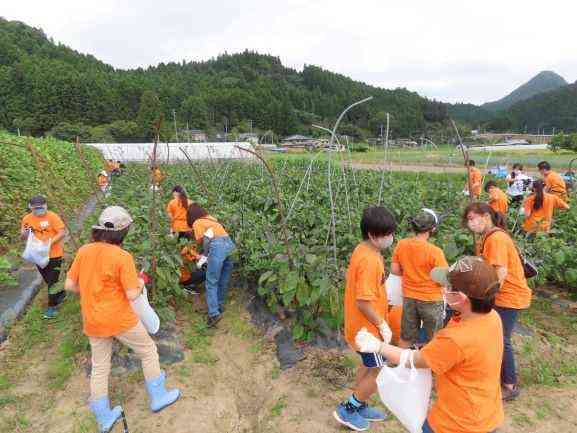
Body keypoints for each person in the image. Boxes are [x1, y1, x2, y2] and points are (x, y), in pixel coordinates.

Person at [355, 256, 504, 433]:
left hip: (455, 424)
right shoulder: (492, 317)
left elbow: (413, 360)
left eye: (448, 286)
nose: (443, 289)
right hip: (487, 415)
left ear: (462, 298)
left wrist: (378, 346)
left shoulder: (456, 338)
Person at [64, 206, 180, 433]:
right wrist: (141, 282)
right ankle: (158, 397)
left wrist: (91, 289)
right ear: (123, 232)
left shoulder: (84, 251)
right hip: (119, 318)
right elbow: (131, 294)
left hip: (93, 320)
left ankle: (104, 418)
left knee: (99, 366)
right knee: (147, 351)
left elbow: (69, 285)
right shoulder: (122, 256)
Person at [333, 206, 397, 432]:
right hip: (368, 331)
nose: (391, 238)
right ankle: (348, 409)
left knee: (368, 366)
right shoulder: (370, 260)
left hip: (359, 327)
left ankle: (359, 403)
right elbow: (363, 301)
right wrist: (381, 324)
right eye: (386, 234)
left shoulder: (363, 249)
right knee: (378, 370)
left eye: (391, 232)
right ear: (372, 234)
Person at [463, 202, 531, 401]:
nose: (470, 224)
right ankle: (494, 378)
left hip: (508, 296)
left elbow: (500, 272)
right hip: (504, 295)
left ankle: (510, 385)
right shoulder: (491, 236)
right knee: (494, 337)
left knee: (502, 339)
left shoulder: (497, 238)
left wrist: (486, 298)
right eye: (468, 220)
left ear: (485, 216)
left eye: (472, 218)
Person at [390, 209, 448, 348]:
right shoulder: (435, 252)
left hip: (409, 297)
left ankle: (399, 366)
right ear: (432, 229)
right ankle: (432, 369)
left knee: (406, 337)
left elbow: (394, 270)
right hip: (431, 300)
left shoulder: (402, 244)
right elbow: (444, 278)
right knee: (434, 339)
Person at [186, 204, 235, 327]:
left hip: (217, 246)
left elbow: (201, 241)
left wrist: (200, 256)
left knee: (211, 281)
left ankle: (213, 314)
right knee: (223, 279)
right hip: (229, 245)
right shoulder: (211, 218)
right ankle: (218, 307)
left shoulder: (197, 223)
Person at [20, 195, 67, 319]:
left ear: (46, 205)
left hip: (54, 254)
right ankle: (61, 293)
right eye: (36, 208)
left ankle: (52, 307)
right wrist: (25, 231)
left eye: (42, 207)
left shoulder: (52, 216)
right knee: (48, 280)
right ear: (30, 207)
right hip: (38, 255)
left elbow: (62, 232)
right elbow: (23, 237)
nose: (39, 210)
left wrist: (49, 243)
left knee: (52, 282)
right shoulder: (27, 219)